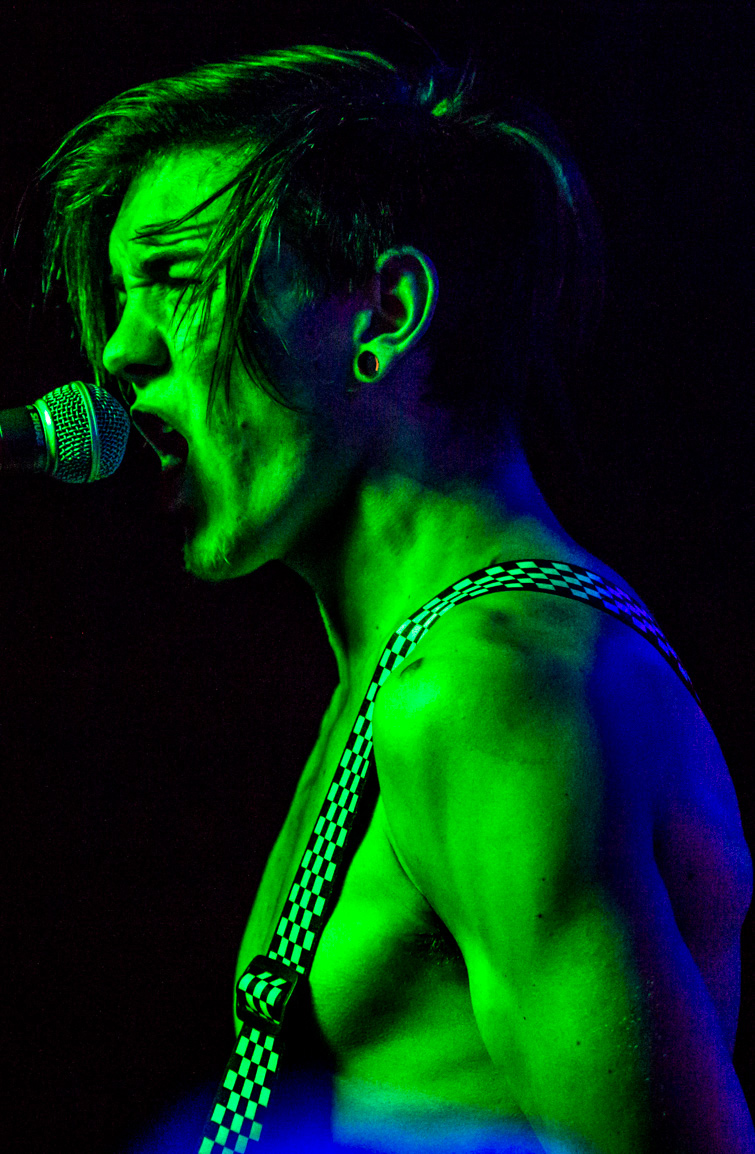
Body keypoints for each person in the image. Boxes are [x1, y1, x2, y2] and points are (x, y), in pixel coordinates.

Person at [40, 47, 752, 1153]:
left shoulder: (489, 692)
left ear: (384, 314)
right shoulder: (413, 673)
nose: (120, 352)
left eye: (177, 278)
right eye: (121, 299)